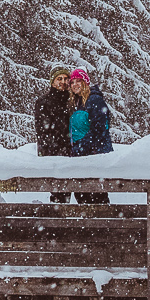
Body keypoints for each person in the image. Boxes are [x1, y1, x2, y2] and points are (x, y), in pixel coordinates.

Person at [67, 68, 113, 205]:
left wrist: (82, 146)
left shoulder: (94, 100)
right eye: (72, 82)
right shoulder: (78, 102)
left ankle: (104, 224)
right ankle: (89, 225)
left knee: (96, 196)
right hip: (81, 157)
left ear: (85, 82)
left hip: (94, 155)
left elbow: (100, 130)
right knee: (82, 195)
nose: (75, 84)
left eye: (78, 81)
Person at [34, 69, 74, 203]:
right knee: (58, 194)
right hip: (53, 154)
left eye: (65, 78)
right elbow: (42, 131)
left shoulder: (72, 100)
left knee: (81, 190)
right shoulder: (43, 102)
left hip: (72, 153)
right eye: (59, 79)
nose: (63, 82)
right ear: (52, 81)